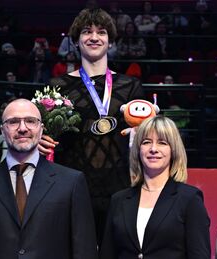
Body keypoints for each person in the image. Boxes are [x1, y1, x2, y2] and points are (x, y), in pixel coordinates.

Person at [39, 8, 145, 243]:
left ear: (110, 41)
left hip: (120, 189)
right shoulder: (57, 86)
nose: (94, 37)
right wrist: (40, 139)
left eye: (102, 32)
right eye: (87, 32)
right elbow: (42, 133)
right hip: (72, 189)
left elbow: (147, 133)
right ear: (76, 41)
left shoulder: (130, 86)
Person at [0, 99, 97, 259]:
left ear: (41, 129)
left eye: (31, 121)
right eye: (13, 122)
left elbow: (85, 250)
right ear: (2, 131)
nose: (22, 128)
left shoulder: (71, 182)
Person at [100, 116, 211, 259]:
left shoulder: (189, 199)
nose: (153, 149)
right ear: (138, 150)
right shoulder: (118, 200)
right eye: (146, 142)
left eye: (162, 143)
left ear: (173, 151)